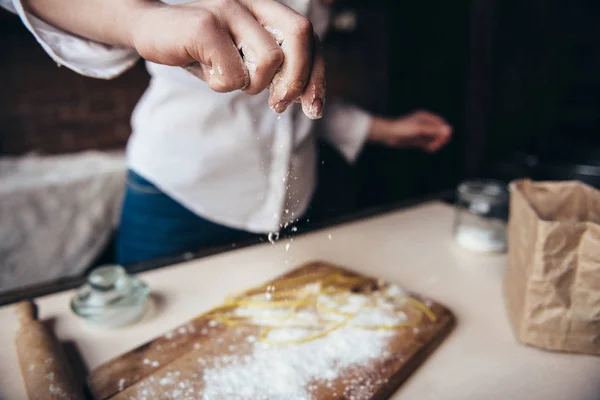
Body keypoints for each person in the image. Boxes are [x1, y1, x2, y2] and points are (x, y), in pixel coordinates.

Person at [1, 0, 452, 265]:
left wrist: (380, 129)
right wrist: (143, 18)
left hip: (294, 198)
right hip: (177, 197)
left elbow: (289, 98)